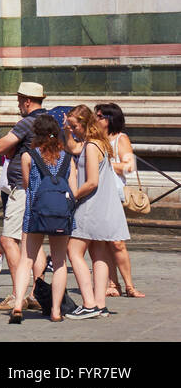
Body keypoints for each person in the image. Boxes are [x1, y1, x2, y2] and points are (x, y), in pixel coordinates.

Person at [65, 105, 130, 320]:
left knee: (73, 251)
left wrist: (74, 194)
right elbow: (73, 148)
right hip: (104, 206)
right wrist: (67, 131)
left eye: (74, 126)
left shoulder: (92, 145)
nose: (72, 129)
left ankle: (89, 302)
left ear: (84, 124)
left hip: (91, 205)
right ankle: (100, 304)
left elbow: (91, 182)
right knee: (99, 253)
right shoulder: (100, 143)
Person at [7, 113, 73, 324]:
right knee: (60, 261)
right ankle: (55, 311)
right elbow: (71, 188)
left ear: (37, 133)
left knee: (26, 260)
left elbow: (27, 186)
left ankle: (18, 305)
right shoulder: (67, 157)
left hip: (35, 213)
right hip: (61, 215)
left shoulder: (29, 156)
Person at [0, 81, 49, 312]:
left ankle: (19, 293)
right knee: (34, 243)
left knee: (8, 240)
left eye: (19, 101)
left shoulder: (27, 122)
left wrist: (1, 143)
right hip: (41, 187)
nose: (18, 105)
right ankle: (36, 292)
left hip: (22, 187)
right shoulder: (49, 121)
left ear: (26, 101)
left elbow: (0, 146)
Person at [97, 103, 142, 298]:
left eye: (99, 116)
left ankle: (129, 285)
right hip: (97, 194)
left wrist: (105, 163)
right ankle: (112, 283)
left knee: (117, 241)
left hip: (114, 194)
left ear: (109, 119)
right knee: (104, 241)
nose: (95, 119)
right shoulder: (95, 140)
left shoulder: (120, 139)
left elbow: (129, 166)